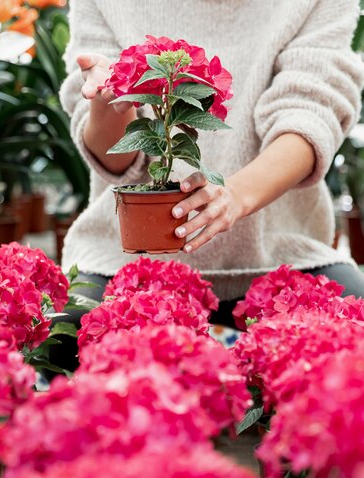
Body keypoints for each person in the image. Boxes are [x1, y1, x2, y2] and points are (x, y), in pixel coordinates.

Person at [52, 0, 364, 372]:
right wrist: (108, 101)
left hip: (283, 258)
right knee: (62, 345)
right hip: (124, 263)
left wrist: (233, 197)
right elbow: (113, 157)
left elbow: (311, 112)